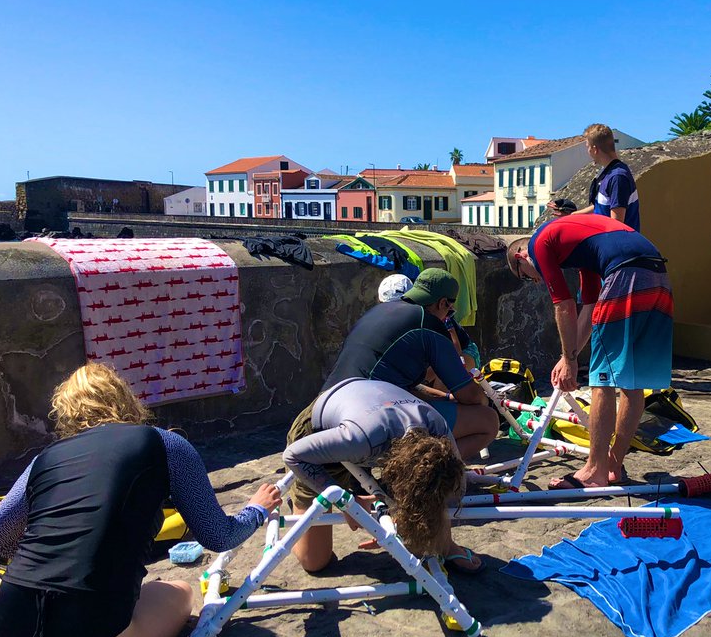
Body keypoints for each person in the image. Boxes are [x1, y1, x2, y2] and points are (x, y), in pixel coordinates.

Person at [0, 363, 282, 637]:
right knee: (179, 592)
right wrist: (256, 511)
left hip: (8, 621)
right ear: (125, 398)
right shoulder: (166, 444)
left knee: (8, 585)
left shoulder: (45, 458)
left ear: (65, 413)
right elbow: (218, 536)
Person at [506, 214, 673, 488]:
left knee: (602, 381)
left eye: (525, 276)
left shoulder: (538, 244)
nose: (534, 281)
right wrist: (568, 356)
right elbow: (590, 307)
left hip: (625, 273)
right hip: (656, 273)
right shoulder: (583, 251)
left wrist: (569, 359)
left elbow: (563, 305)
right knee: (633, 383)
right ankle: (612, 465)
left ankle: (594, 470)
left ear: (521, 257)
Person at [282, 378, 479, 574]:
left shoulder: (439, 430)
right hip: (318, 435)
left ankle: (446, 545)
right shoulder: (360, 440)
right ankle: (299, 505)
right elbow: (292, 455)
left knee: (433, 492)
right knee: (314, 561)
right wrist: (346, 501)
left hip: (366, 416)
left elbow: (449, 486)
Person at [321, 267, 497, 459]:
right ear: (443, 303)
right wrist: (484, 402)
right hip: (368, 421)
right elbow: (471, 396)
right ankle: (425, 472)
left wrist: (445, 398)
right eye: (449, 310)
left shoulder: (378, 312)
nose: (448, 315)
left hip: (325, 411)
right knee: (488, 421)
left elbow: (401, 389)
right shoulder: (430, 326)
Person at [549, 123, 640, 230]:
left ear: (595, 149)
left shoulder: (618, 177)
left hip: (617, 240)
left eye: (588, 147)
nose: (588, 152)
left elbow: (616, 225)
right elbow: (599, 207)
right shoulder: (606, 173)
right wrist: (571, 216)